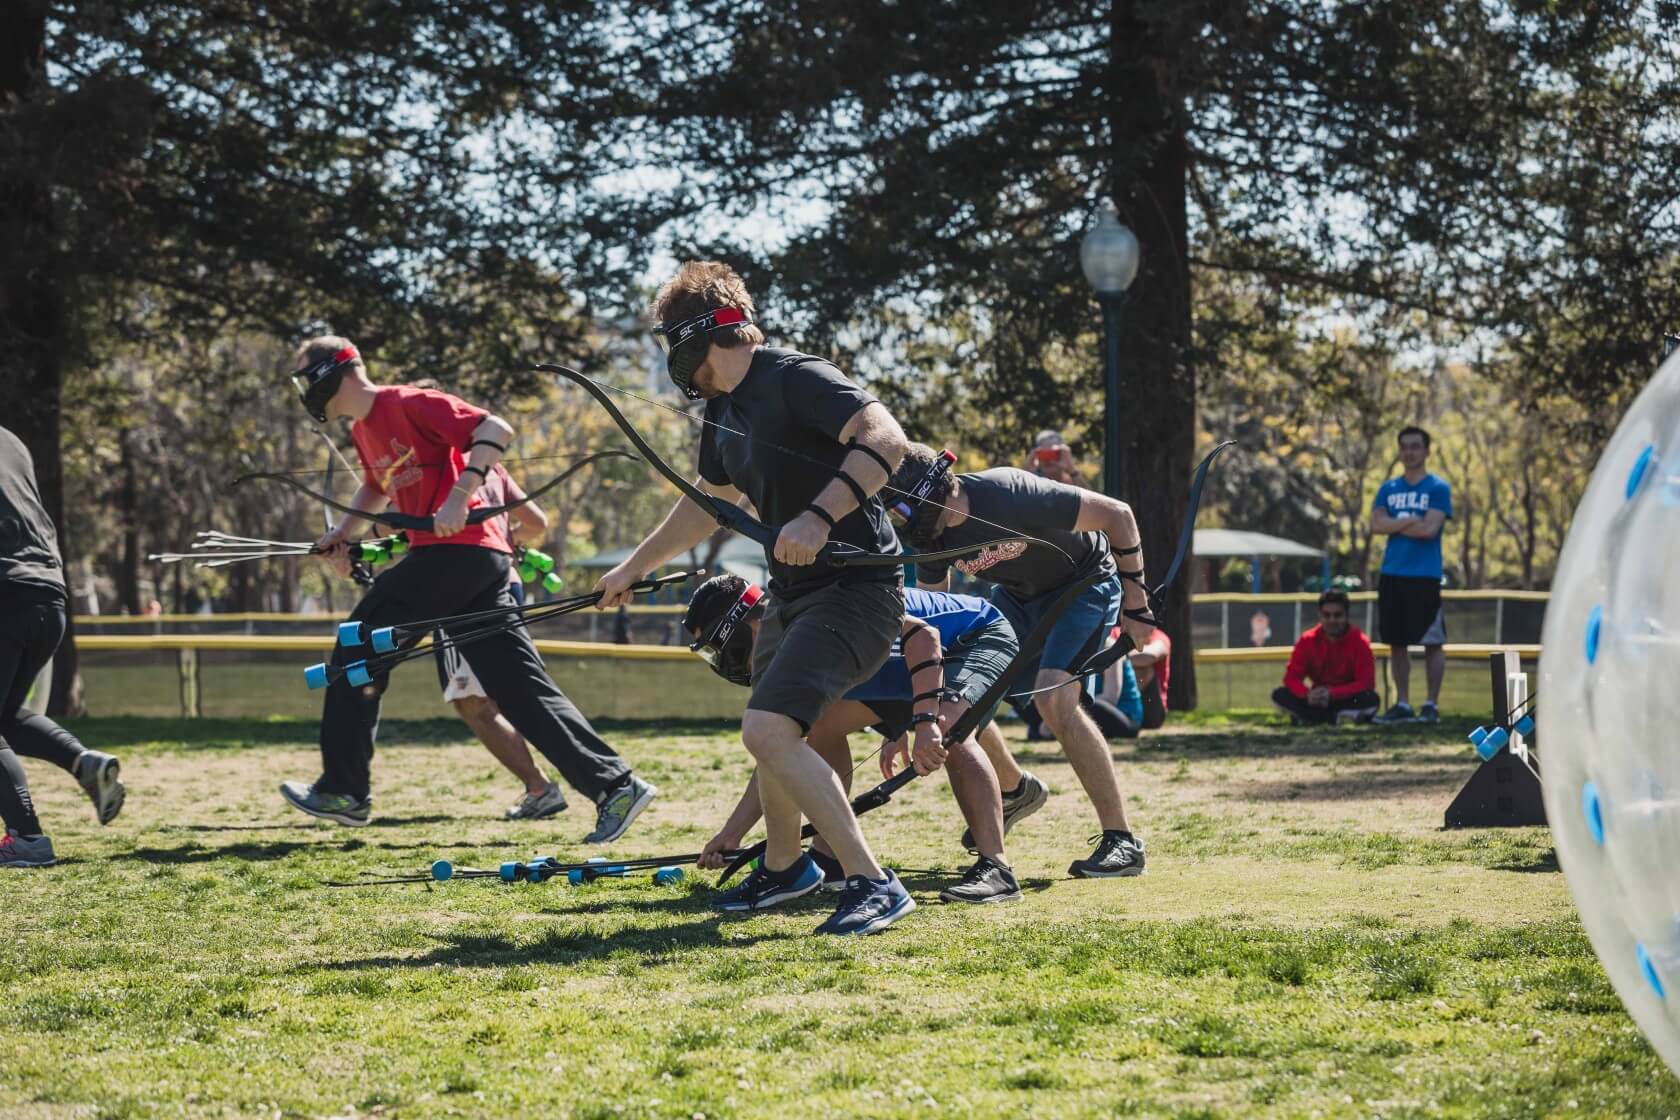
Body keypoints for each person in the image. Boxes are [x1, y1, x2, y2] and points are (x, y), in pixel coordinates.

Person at [594, 261, 915, 936]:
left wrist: (819, 517)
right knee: (776, 731)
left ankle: (873, 883)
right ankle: (784, 866)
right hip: (793, 594)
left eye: (671, 346)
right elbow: (709, 508)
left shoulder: (796, 375)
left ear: (696, 339)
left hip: (855, 589)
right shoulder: (723, 413)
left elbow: (887, 440)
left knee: (766, 729)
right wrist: (630, 566)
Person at [279, 336, 655, 841]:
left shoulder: (409, 401)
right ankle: (617, 786)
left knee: (357, 643)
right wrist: (341, 535)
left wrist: (461, 495)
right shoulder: (366, 431)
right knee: (518, 688)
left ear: (332, 371)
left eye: (308, 374)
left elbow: (494, 428)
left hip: (460, 555)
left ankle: (344, 790)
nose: (305, 388)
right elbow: (375, 486)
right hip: (473, 566)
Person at [887, 441, 1155, 878]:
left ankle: (1122, 841)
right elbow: (937, 627)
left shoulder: (1010, 492)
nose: (911, 524)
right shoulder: (930, 538)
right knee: (964, 693)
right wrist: (920, 708)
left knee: (1055, 701)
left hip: (1083, 584)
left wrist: (1137, 604)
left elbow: (1118, 515)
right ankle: (1015, 790)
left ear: (938, 488)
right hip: (1016, 599)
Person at [687, 574, 1024, 903]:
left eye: (726, 651)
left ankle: (997, 867)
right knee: (812, 726)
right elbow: (776, 751)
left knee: (948, 729)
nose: (729, 666)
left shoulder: (811, 615)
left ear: (748, 624)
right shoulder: (783, 640)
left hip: (975, 636)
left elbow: (924, 637)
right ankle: (829, 858)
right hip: (911, 666)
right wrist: (733, 833)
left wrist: (922, 722)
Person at [0, 425, 125, 868]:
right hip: (48, 595)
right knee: (6, 717)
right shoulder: (12, 439)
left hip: (6, 592)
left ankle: (27, 839)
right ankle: (83, 763)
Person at [1370, 426, 1452, 723]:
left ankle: (1431, 705)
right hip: (1392, 573)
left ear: (1427, 450)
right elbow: (1376, 525)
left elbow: (1430, 530)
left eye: (1416, 446)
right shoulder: (1388, 488)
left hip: (1425, 575)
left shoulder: (1437, 488)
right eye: (1405, 447)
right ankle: (1403, 704)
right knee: (1397, 642)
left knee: (1432, 642)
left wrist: (1396, 522)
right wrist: (1412, 520)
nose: (1410, 452)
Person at [1270, 590, 1379, 725]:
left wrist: (1332, 693)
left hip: (1344, 698)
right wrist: (1307, 694)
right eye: (1327, 615)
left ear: (1347, 616)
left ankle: (1308, 718)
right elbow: (1291, 678)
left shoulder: (1359, 641)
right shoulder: (1307, 640)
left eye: (1337, 615)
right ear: (1319, 616)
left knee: (1370, 698)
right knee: (1280, 694)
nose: (1332, 620)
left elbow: (1366, 683)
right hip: (1317, 699)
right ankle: (1333, 718)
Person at [1127, 626, 1171, 730]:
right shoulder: (1115, 633)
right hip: (1119, 702)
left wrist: (1116, 658)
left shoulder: (1159, 637)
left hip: (1152, 709)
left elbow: (1150, 656)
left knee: (1143, 670)